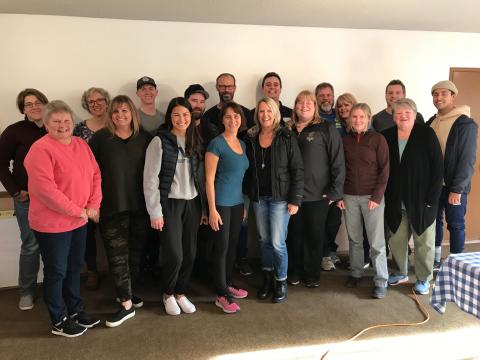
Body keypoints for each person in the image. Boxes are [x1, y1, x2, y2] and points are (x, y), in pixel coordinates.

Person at [24, 100, 102, 337]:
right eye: (56, 121)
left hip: (79, 221)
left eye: (66, 120)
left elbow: (95, 175)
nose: (62, 125)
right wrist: (78, 210)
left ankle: (76, 310)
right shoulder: (39, 150)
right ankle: (59, 319)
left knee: (74, 268)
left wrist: (93, 205)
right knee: (57, 271)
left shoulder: (80, 144)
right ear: (46, 124)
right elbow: (46, 191)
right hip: (52, 225)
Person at [89, 95, 152, 327]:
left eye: (125, 111)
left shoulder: (145, 138)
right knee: (117, 257)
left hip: (140, 207)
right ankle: (125, 303)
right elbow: (89, 173)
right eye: (115, 111)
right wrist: (91, 203)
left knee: (135, 255)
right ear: (110, 115)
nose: (120, 115)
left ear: (132, 113)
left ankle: (127, 292)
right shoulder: (100, 139)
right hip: (110, 208)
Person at [143, 97, 206, 315]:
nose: (182, 119)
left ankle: (181, 292)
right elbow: (150, 179)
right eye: (177, 114)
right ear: (170, 116)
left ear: (191, 117)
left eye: (186, 115)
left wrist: (204, 208)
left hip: (192, 203)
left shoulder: (194, 139)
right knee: (174, 254)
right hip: (169, 204)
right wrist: (155, 212)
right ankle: (168, 293)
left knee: (189, 253)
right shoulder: (159, 141)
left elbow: (200, 177)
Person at [244, 97, 303, 303]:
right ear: (257, 114)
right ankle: (267, 278)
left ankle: (281, 281)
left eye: (269, 111)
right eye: (261, 111)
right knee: (264, 240)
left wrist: (295, 200)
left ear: (275, 113)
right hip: (259, 198)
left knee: (278, 243)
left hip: (281, 198)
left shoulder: (286, 136)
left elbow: (297, 170)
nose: (265, 115)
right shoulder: (250, 137)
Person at [383, 98, 443, 295]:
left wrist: (432, 201)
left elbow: (437, 168)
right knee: (397, 239)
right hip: (395, 200)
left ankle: (423, 279)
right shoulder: (387, 136)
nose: (402, 116)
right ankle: (401, 271)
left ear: (415, 115)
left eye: (406, 113)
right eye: (398, 113)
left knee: (423, 241)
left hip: (422, 200)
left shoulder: (426, 133)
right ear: (393, 116)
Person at [286, 90, 345, 288]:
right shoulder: (287, 129)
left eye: (308, 102)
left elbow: (338, 161)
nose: (304, 105)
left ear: (315, 106)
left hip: (318, 195)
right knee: (293, 235)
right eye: (300, 102)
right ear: (295, 106)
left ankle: (312, 275)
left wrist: (334, 192)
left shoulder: (326, 128)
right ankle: (294, 271)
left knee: (314, 235)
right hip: (292, 195)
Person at [0, 88, 48, 311]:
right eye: (29, 104)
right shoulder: (14, 131)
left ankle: (52, 287)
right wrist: (15, 191)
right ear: (23, 109)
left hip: (55, 199)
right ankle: (26, 291)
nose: (35, 107)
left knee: (56, 245)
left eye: (38, 102)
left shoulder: (56, 126)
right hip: (27, 200)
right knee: (31, 245)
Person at [337, 103, 389, 299]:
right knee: (355, 239)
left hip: (372, 198)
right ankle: (356, 273)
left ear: (369, 119)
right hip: (349, 197)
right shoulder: (345, 141)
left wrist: (377, 197)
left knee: (376, 242)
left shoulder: (378, 139)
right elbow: (340, 170)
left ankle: (381, 281)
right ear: (350, 120)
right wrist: (340, 196)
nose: (357, 120)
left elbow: (385, 170)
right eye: (354, 117)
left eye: (362, 117)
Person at [427, 80, 478, 269]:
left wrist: (457, 189)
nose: (438, 98)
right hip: (434, 185)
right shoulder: (432, 121)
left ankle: (457, 264)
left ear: (453, 96)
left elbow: (467, 160)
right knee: (435, 223)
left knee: (455, 224)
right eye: (435, 94)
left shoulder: (465, 123)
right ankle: (436, 260)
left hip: (454, 186)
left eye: (443, 94)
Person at [205, 101, 249, 313]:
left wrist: (244, 206)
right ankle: (221, 293)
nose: (233, 120)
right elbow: (209, 179)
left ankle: (228, 282)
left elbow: (241, 179)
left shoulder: (243, 144)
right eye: (228, 117)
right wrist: (211, 209)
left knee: (232, 247)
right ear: (222, 120)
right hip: (220, 203)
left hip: (238, 203)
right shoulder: (216, 143)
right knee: (221, 248)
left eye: (237, 116)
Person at [74, 87, 110, 290]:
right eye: (91, 102)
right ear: (86, 106)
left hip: (113, 187)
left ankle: (116, 271)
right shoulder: (79, 130)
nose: (96, 104)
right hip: (86, 191)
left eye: (100, 100)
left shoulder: (117, 125)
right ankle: (92, 271)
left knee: (113, 232)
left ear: (107, 101)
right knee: (87, 234)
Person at [322, 93, 359, 271]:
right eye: (341, 106)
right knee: (331, 220)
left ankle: (359, 258)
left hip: (354, 183)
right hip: (336, 181)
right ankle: (327, 252)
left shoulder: (360, 127)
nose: (344, 109)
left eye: (347, 105)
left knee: (351, 223)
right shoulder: (335, 127)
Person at [202, 73, 254, 145]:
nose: (226, 90)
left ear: (234, 88)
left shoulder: (247, 114)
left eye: (230, 86)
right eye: (222, 86)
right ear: (217, 88)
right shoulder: (208, 116)